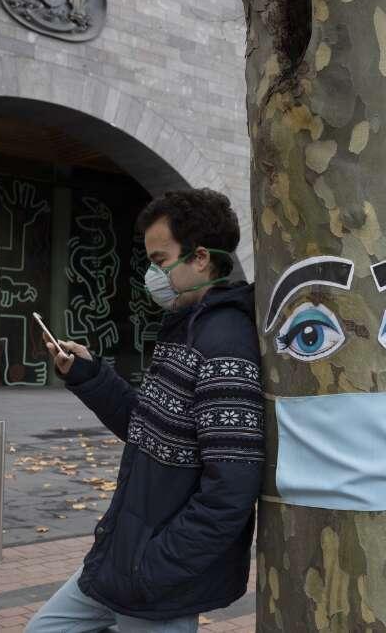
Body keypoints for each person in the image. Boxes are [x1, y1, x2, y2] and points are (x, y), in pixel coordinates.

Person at [25, 189, 264, 633]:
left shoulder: (226, 346)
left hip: (155, 585)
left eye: (160, 260)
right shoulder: (184, 328)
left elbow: (230, 491)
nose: (151, 274)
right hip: (117, 561)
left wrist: (151, 569)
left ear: (199, 258)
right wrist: (89, 375)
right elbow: (147, 429)